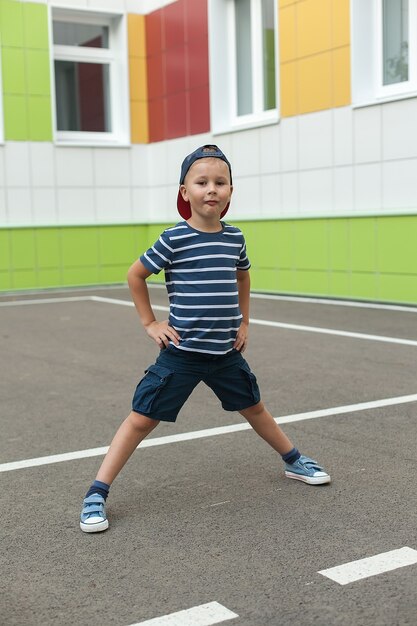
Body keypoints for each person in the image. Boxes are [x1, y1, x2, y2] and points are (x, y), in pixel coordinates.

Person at [80, 145, 330, 533]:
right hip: (181, 354)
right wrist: (150, 323)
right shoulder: (173, 239)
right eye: (202, 182)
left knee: (255, 409)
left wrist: (244, 322)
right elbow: (135, 275)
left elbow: (243, 276)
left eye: (220, 182)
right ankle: (97, 492)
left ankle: (294, 460)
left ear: (231, 191)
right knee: (141, 419)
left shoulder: (235, 239)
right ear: (184, 192)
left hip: (226, 352)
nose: (211, 189)